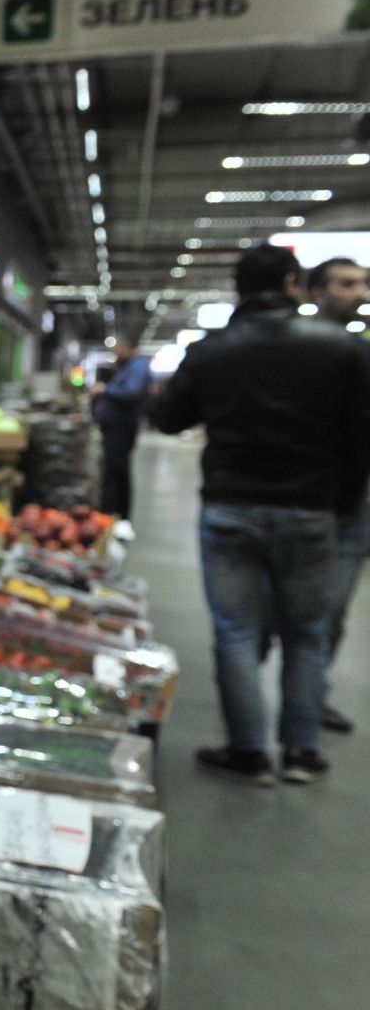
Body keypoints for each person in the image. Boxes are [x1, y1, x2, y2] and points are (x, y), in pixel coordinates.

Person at [150, 244, 370, 785]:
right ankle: (301, 751)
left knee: (236, 632)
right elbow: (362, 439)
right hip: (311, 508)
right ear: (294, 284)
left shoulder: (212, 349)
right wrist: (341, 503)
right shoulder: (344, 349)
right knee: (307, 633)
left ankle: (248, 752)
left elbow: (168, 419)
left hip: (231, 507)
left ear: (238, 288)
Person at [308, 256, 370, 731]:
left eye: (364, 284)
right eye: (348, 284)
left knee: (331, 611)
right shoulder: (298, 350)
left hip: (355, 504)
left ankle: (310, 699)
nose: (361, 292)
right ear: (316, 291)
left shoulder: (363, 348)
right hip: (302, 498)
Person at [91, 336, 152, 520]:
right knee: (115, 471)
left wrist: (105, 389)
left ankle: (113, 513)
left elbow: (131, 392)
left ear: (128, 347)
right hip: (116, 426)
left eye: (118, 348)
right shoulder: (131, 366)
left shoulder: (138, 366)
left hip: (121, 427)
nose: (115, 352)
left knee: (116, 471)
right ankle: (112, 511)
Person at [308, 256, 367, 326]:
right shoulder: (301, 335)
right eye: (348, 284)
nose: (361, 294)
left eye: (365, 283)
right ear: (319, 296)